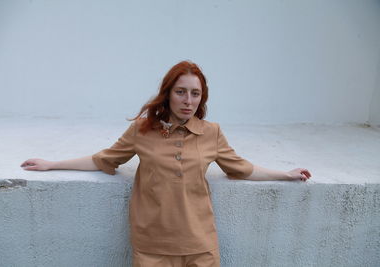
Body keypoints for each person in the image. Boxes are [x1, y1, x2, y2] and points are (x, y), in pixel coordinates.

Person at [21, 60, 311, 267]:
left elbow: (243, 168)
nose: (188, 100)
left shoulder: (212, 133)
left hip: (200, 246)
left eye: (195, 93)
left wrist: (286, 174)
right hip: (152, 247)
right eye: (180, 91)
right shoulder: (141, 130)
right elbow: (104, 159)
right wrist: (52, 164)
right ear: (168, 94)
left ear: (202, 98)